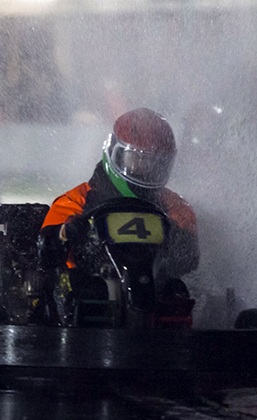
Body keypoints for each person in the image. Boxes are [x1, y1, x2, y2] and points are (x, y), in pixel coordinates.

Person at [33, 108, 199, 323]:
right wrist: (68, 232)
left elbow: (189, 259)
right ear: (114, 152)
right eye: (137, 160)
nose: (144, 169)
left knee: (176, 290)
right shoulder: (75, 201)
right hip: (86, 297)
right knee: (78, 289)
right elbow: (46, 254)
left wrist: (178, 239)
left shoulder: (176, 207)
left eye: (154, 163)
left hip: (153, 292)